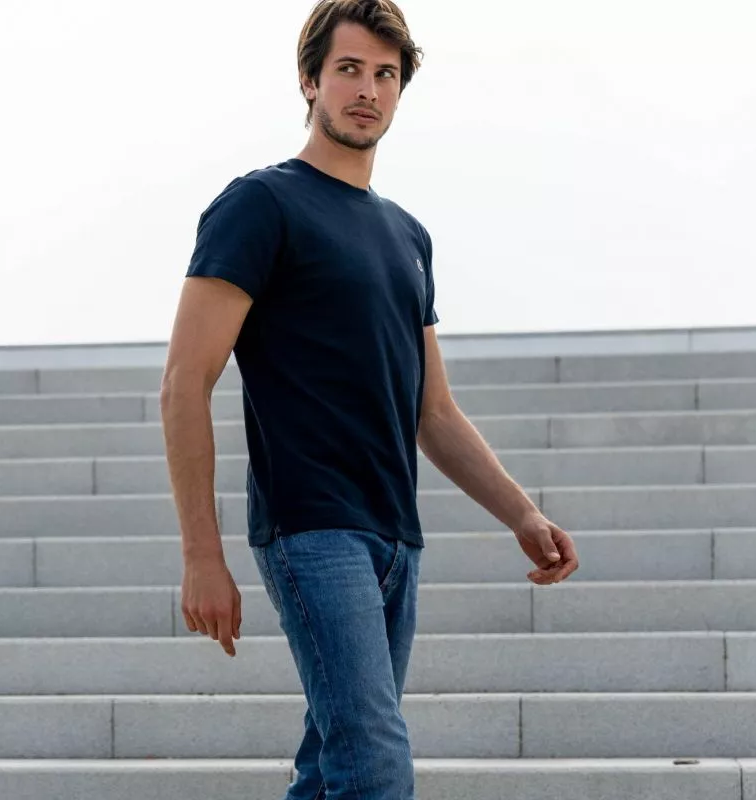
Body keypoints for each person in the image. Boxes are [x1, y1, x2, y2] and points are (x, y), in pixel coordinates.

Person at [160, 1, 579, 797]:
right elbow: (185, 382)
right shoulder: (261, 205)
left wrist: (522, 514)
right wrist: (201, 556)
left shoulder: (407, 235)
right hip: (310, 527)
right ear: (309, 80)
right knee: (375, 763)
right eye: (349, 69)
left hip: (395, 537)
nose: (368, 90)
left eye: (386, 75)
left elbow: (434, 411)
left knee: (332, 768)